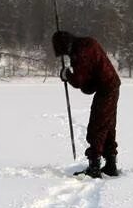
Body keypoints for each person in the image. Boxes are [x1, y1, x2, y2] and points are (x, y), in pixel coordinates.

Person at [52, 30, 121, 177]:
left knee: (97, 126)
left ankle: (94, 167)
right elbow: (87, 83)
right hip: (110, 85)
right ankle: (110, 164)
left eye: (64, 52)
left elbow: (79, 81)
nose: (66, 55)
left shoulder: (80, 52)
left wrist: (67, 75)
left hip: (106, 88)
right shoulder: (87, 43)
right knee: (107, 126)